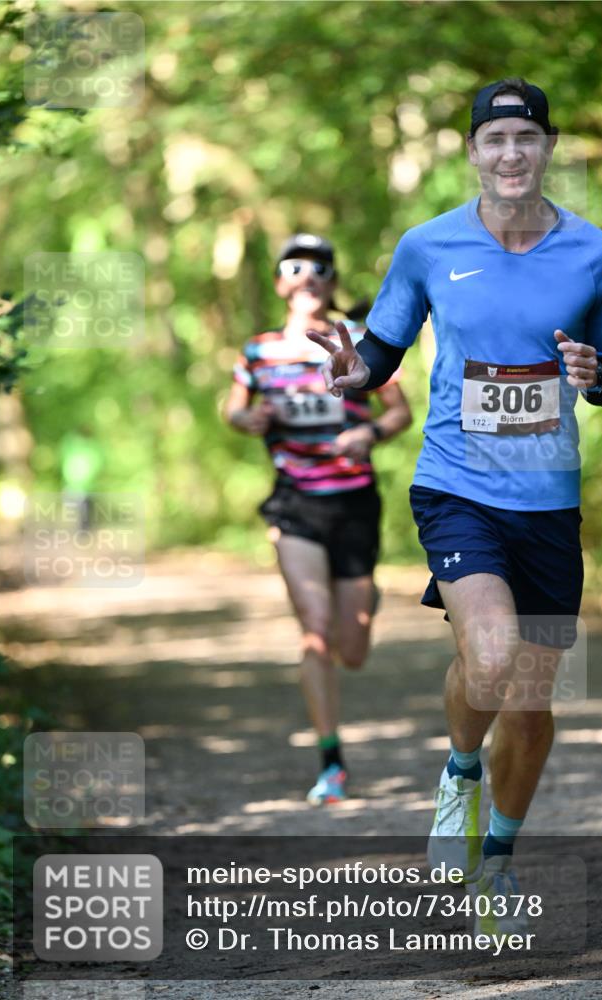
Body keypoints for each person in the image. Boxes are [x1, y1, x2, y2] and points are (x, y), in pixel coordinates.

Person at [308, 78, 602, 927]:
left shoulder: (596, 254)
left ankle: (496, 859)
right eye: (495, 140)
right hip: (456, 486)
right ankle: (458, 773)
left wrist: (597, 380)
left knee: (529, 702)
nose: (511, 153)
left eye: (526, 137)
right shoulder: (427, 245)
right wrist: (352, 373)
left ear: (549, 147)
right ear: (472, 153)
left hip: (549, 500)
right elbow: (379, 349)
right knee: (489, 660)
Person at [224, 233, 412, 804]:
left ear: (332, 281)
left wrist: (369, 432)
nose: (309, 276)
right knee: (314, 627)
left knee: (350, 648)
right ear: (282, 282)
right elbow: (233, 408)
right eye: (295, 267)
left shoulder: (362, 339)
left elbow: (400, 410)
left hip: (353, 501)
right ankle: (331, 762)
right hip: (294, 502)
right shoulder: (256, 352)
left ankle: (362, 602)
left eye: (321, 268)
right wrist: (250, 418)